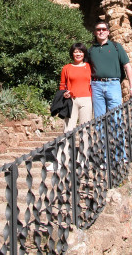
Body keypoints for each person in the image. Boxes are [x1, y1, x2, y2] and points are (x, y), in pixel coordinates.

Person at [47, 42, 92, 171]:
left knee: (85, 130)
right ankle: (61, 160)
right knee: (67, 130)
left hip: (86, 100)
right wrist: (64, 93)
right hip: (71, 100)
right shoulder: (66, 68)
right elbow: (62, 85)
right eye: (75, 51)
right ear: (72, 53)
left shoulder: (89, 67)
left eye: (81, 51)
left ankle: (83, 159)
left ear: (84, 53)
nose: (78, 54)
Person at [89, 20, 132, 118]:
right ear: (95, 32)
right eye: (98, 29)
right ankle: (102, 134)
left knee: (115, 117)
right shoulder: (91, 50)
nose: (101, 31)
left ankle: (117, 134)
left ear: (108, 32)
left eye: (104, 29)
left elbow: (127, 66)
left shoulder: (116, 47)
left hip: (113, 85)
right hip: (96, 86)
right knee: (99, 119)